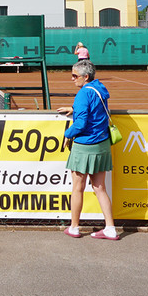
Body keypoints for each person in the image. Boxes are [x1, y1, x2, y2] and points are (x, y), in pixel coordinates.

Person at [56, 59, 119, 240]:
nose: (72, 78)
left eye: (75, 76)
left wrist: (68, 134)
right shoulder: (99, 88)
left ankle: (74, 227)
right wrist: (74, 108)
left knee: (78, 188)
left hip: (85, 146)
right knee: (100, 188)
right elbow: (94, 109)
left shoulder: (83, 94)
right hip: (102, 144)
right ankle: (110, 228)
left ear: (86, 77)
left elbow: (81, 123)